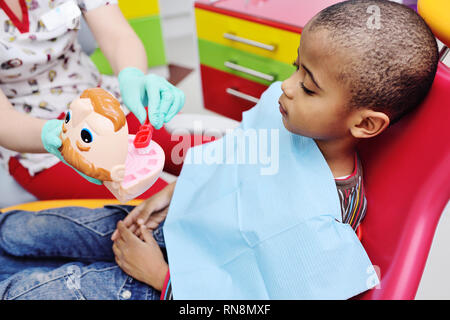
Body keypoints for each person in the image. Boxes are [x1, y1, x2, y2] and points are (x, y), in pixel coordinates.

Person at [0, 0, 439, 299]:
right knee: (24, 232)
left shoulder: (322, 225)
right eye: (295, 68)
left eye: (307, 85)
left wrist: (162, 277)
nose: (284, 87)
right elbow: (234, 156)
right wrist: (175, 191)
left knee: (29, 290)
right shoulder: (283, 115)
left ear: (364, 124)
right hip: (175, 223)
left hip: (172, 284)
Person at [0, 0, 184, 206]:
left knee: (205, 159)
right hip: (36, 136)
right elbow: (3, 119)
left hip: (104, 102)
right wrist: (57, 136)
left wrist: (133, 75)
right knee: (164, 207)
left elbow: (117, 35)